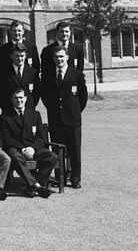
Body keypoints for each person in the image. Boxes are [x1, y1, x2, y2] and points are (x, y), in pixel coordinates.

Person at [40, 45, 88, 189]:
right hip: (56, 119)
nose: (59, 59)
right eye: (56, 57)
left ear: (67, 57)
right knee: (57, 151)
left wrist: (75, 111)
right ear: (53, 58)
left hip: (73, 120)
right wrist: (54, 110)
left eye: (62, 56)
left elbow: (83, 97)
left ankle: (75, 178)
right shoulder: (48, 76)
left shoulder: (77, 75)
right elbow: (45, 96)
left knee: (74, 151)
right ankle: (60, 177)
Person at [0, 89, 57, 198]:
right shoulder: (5, 117)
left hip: (33, 148)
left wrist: (32, 149)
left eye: (21, 98)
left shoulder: (35, 114)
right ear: (12, 100)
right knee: (15, 157)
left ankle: (32, 186)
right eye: (16, 98)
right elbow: (6, 139)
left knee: (52, 157)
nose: (19, 100)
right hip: (16, 149)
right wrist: (23, 149)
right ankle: (37, 186)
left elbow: (41, 137)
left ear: (25, 99)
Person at [0, 42, 40, 111]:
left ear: (25, 56)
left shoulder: (32, 72)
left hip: (29, 111)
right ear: (11, 56)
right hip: (9, 112)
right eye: (17, 56)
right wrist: (5, 107)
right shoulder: (4, 73)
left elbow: (37, 92)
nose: (19, 59)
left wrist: (31, 105)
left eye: (22, 56)